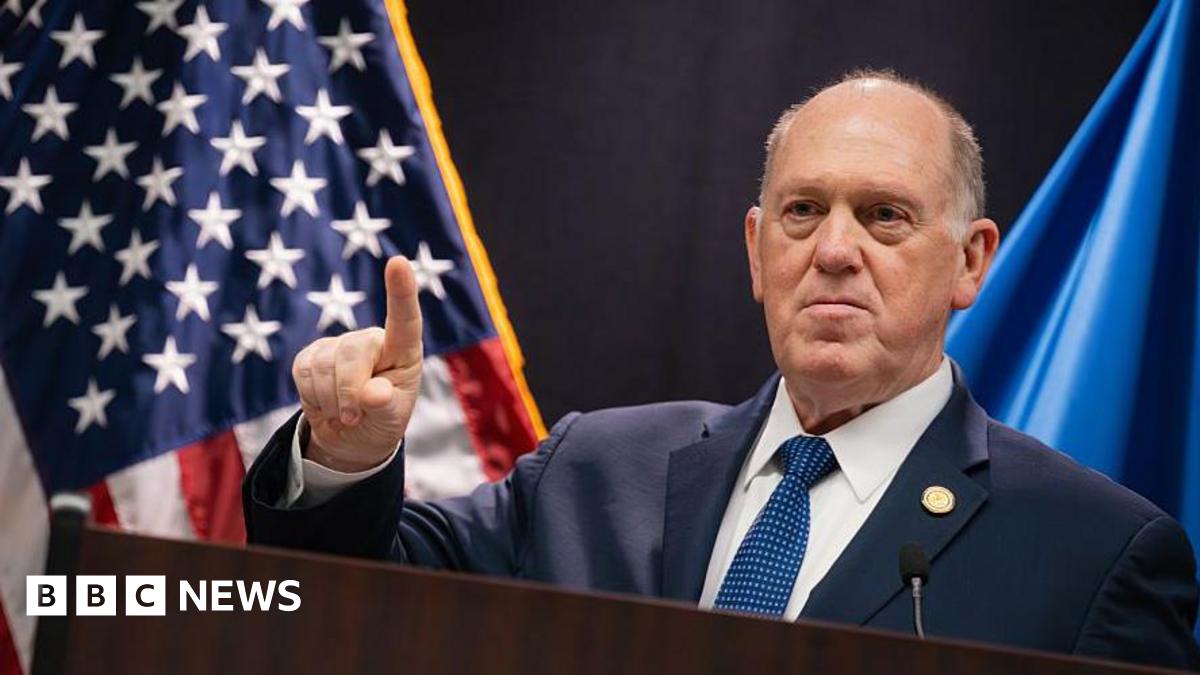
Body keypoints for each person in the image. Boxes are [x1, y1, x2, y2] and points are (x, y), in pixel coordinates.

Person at [243, 70, 1200, 668]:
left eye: (885, 216)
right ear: (755, 250)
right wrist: (346, 459)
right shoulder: (593, 468)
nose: (833, 250)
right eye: (800, 212)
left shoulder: (1095, 556)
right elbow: (346, 608)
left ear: (970, 261)